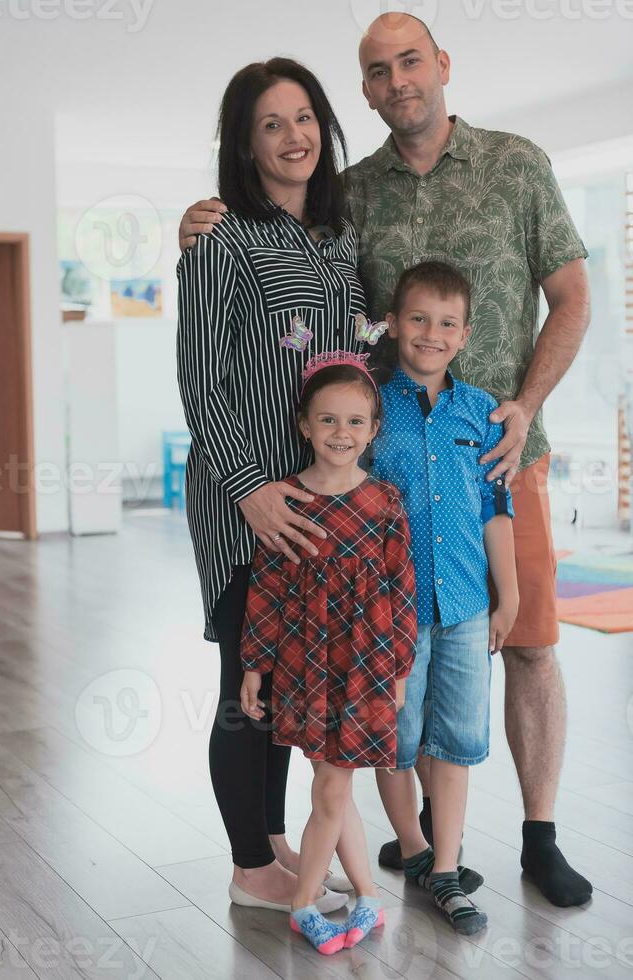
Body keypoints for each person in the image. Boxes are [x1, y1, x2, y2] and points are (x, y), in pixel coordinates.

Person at [177, 11, 593, 908]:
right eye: (377, 70)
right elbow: (208, 369)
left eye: (411, 60)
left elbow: (568, 298)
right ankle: (308, 856)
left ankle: (524, 836)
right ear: (362, 93)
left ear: (441, 65)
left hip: (452, 463)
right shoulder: (292, 218)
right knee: (289, 667)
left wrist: (523, 405)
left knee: (500, 650)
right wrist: (250, 485)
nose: (397, 79)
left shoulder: (477, 177)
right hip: (309, 484)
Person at [176, 57, 369, 914]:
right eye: (270, 125)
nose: (293, 137)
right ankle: (249, 866)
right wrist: (252, 487)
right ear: (245, 147)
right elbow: (200, 379)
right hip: (241, 494)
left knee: (290, 680)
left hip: (317, 495)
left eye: (304, 119)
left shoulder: (339, 238)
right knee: (243, 685)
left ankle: (279, 840)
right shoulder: (220, 238)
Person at [239, 353, 416, 953]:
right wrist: (255, 665)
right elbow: (266, 586)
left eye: (356, 422)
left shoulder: (384, 501)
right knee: (332, 790)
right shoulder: (284, 498)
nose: (342, 434)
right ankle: (336, 900)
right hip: (307, 665)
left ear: (373, 429)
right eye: (329, 420)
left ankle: (330, 901)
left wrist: (398, 667)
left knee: (333, 790)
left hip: (365, 663)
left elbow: (402, 589)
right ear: (305, 425)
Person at [368, 260, 517, 935]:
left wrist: (506, 594)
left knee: (455, 739)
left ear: (464, 334)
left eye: (446, 323)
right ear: (395, 323)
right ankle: (417, 850)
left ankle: (449, 871)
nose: (431, 333)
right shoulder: (371, 405)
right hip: (389, 608)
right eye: (419, 319)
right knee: (396, 738)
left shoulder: (482, 412)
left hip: (463, 605)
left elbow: (494, 507)